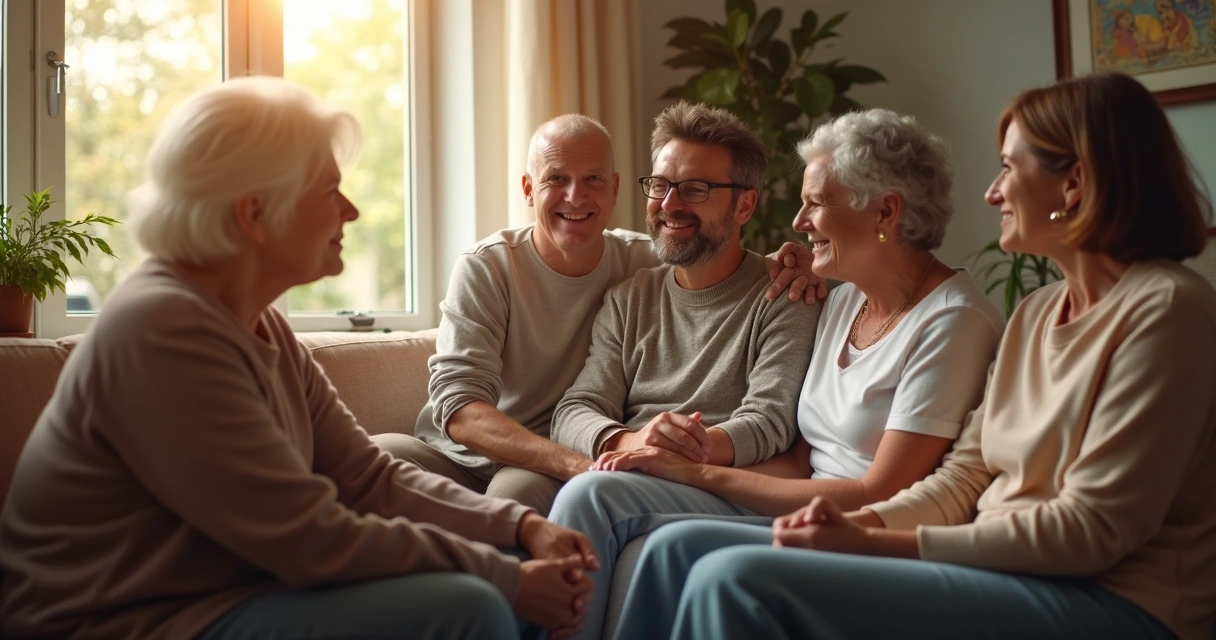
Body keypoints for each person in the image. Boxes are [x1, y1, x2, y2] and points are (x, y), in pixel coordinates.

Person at [617, 73, 1216, 640]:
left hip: (1117, 601)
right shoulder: (1036, 312)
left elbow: (1090, 532)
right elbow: (963, 478)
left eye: (1009, 167)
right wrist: (859, 529)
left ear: (1075, 184)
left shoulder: (1168, 310)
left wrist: (874, 542)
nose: (992, 191)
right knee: (673, 549)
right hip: (1002, 567)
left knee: (734, 579)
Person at [0, 77, 599, 640]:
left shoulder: (261, 325)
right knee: (472, 606)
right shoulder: (162, 328)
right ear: (255, 213)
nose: (351, 211)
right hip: (121, 622)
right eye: (327, 190)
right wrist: (504, 577)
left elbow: (367, 477)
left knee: (490, 579)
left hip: (214, 600)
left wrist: (522, 528)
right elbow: (310, 538)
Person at [555, 106, 1004, 640]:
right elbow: (798, 457)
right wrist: (647, 453)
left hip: (863, 531)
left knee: (643, 528)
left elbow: (878, 491)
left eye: (816, 203)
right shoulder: (838, 300)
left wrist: (694, 470)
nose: (798, 222)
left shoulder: (953, 322)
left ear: (885, 214)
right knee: (658, 540)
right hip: (801, 500)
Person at [372, 115, 823, 515]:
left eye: (592, 178)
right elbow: (463, 406)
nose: (669, 206)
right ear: (528, 189)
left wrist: (803, 264)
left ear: (614, 189)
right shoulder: (495, 268)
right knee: (376, 455)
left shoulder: (652, 259)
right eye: (556, 178)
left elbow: (716, 257)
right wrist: (614, 452)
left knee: (519, 492)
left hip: (567, 470)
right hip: (504, 453)